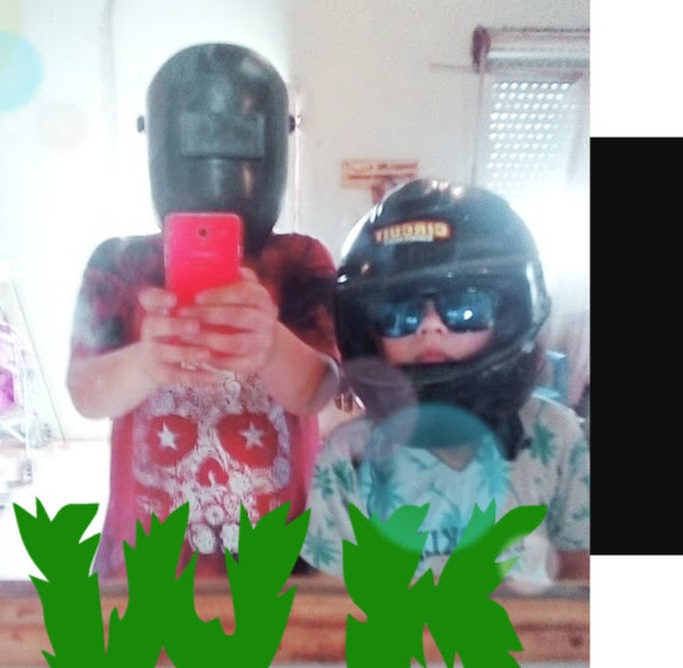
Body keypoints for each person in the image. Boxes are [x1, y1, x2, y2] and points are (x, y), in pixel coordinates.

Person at [67, 43, 340, 578]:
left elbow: (318, 390)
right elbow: (85, 394)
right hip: (147, 563)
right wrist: (148, 363)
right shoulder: (119, 264)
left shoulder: (301, 259)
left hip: (281, 562)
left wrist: (270, 345)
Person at [301, 178, 590, 588]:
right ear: (368, 332)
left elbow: (582, 573)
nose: (431, 326)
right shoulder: (347, 457)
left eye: (465, 308)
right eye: (399, 314)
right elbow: (330, 595)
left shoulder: (555, 436)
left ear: (510, 314)